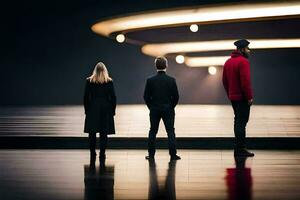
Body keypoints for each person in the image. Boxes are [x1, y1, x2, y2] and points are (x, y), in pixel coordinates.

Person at [144, 56, 181, 160]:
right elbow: (176, 96)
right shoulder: (171, 80)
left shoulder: (150, 80)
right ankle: (173, 155)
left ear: (155, 65)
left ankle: (151, 155)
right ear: (166, 66)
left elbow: (146, 96)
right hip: (168, 109)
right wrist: (170, 106)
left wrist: (151, 107)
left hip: (154, 109)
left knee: (152, 131)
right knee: (170, 131)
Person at [222, 39, 254, 157]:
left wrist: (230, 94)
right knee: (242, 123)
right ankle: (240, 149)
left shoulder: (228, 62)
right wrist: (249, 97)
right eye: (247, 49)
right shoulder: (243, 62)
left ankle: (238, 148)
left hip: (234, 98)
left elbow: (224, 81)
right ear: (241, 49)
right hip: (242, 98)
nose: (249, 51)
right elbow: (245, 82)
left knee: (238, 122)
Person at [83, 62, 116, 159]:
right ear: (105, 70)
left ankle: (92, 152)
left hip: (93, 108)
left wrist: (86, 110)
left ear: (95, 70)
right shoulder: (109, 81)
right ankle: (102, 153)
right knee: (104, 132)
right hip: (106, 108)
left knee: (92, 132)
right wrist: (113, 110)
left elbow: (86, 97)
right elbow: (113, 97)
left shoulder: (89, 81)